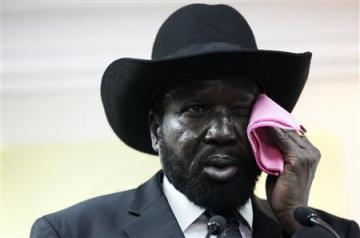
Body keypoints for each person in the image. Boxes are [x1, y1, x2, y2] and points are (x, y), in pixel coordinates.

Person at [30, 4, 359, 238]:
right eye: (196, 110)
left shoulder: (334, 233)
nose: (222, 132)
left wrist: (293, 221)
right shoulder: (71, 232)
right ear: (156, 130)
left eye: (242, 110)